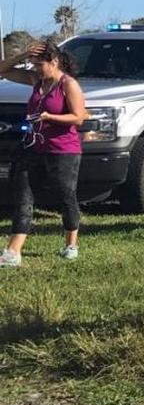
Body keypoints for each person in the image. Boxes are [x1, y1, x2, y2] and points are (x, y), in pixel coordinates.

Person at [0, 42, 88, 267]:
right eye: (34, 65)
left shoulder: (68, 85)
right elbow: (3, 70)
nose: (37, 69)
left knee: (65, 195)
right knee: (23, 196)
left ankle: (71, 244)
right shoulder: (35, 80)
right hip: (32, 147)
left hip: (63, 150)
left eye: (41, 65)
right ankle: (13, 251)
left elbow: (79, 117)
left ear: (55, 62)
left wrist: (50, 117)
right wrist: (22, 55)